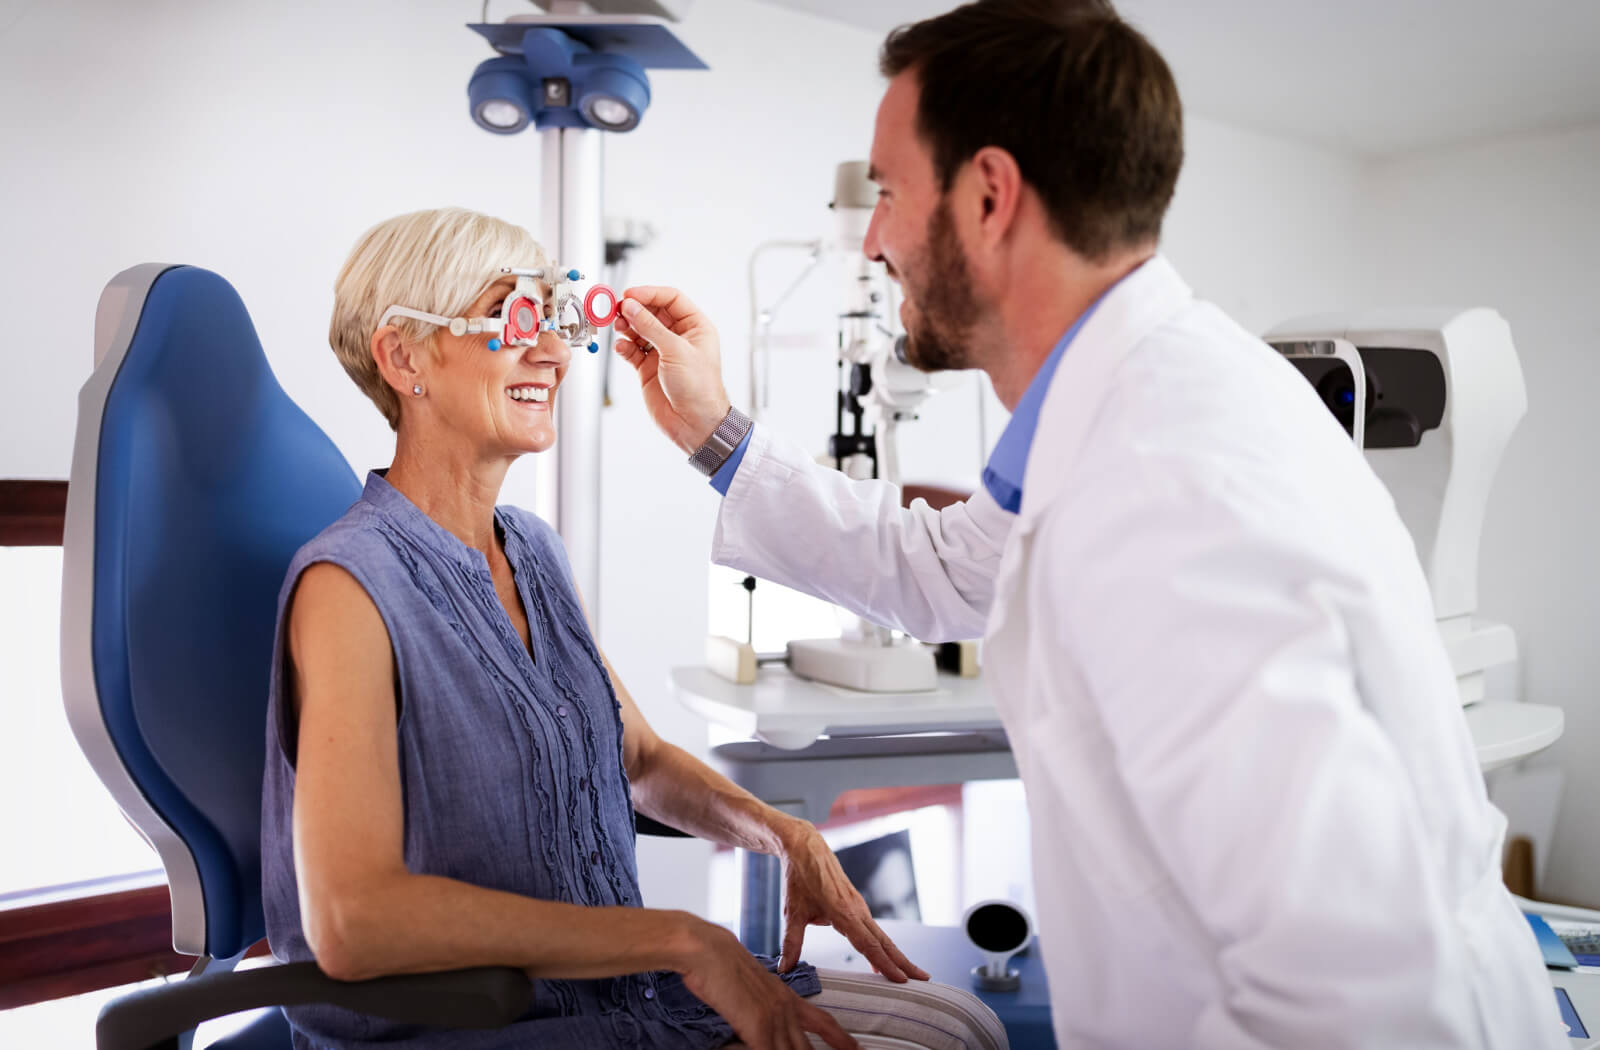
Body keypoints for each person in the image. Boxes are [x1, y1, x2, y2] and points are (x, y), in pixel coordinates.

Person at [609, 2, 1569, 1047]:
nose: (875, 236)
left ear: (987, 195)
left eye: (887, 192)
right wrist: (717, 434)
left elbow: (1349, 998)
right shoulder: (1113, 404)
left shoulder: (1168, 483)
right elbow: (950, 570)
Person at [259, 207, 1009, 1050]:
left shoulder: (533, 552)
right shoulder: (350, 586)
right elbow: (352, 922)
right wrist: (687, 940)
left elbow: (638, 758)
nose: (551, 353)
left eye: (557, 320)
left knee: (962, 1021)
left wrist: (785, 834)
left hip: (620, 998)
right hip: (487, 1029)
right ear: (403, 356)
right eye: (516, 318)